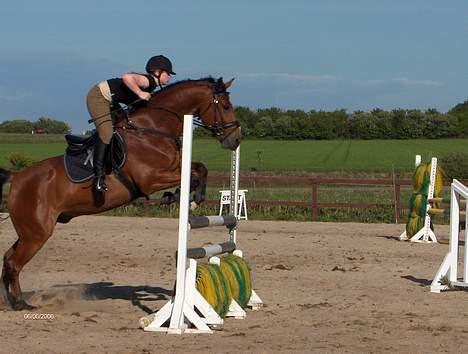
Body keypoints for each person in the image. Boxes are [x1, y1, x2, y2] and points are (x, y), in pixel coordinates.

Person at [86, 55, 176, 193]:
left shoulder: (151, 84)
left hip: (111, 101)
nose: (169, 77)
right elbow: (126, 77)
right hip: (99, 97)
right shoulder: (148, 81)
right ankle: (98, 177)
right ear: (157, 72)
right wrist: (140, 93)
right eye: (168, 73)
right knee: (107, 132)